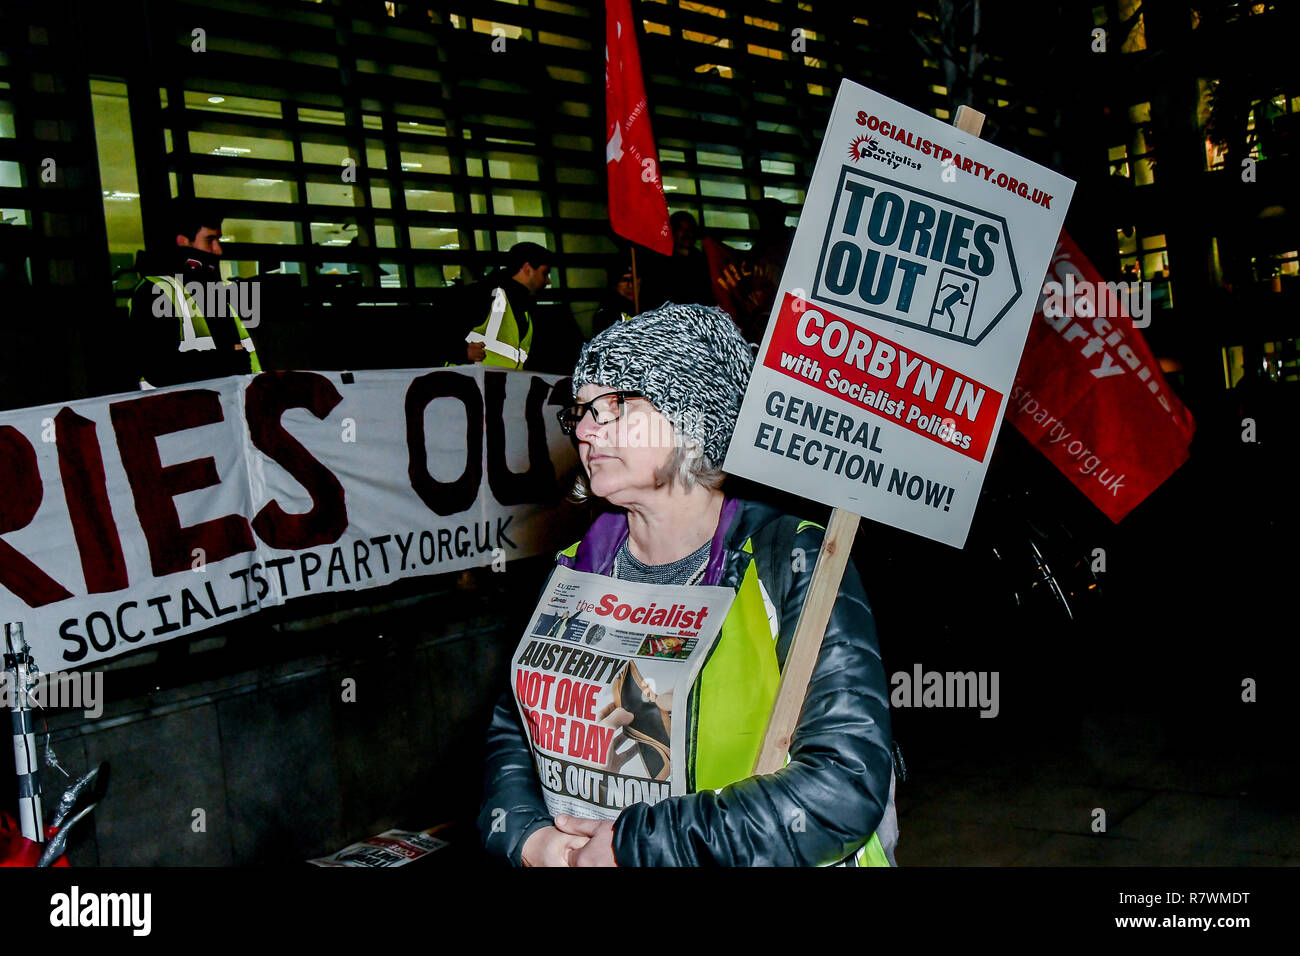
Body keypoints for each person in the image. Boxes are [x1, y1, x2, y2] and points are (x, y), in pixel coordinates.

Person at [477, 303, 897, 866]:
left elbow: (842, 786)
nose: (583, 429)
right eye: (580, 411)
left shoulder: (792, 560)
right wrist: (533, 840)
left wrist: (641, 846)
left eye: (617, 403)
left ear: (691, 417)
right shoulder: (575, 567)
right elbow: (514, 735)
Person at [130, 205, 263, 389]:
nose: (218, 250)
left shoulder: (210, 290)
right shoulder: (155, 290)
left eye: (219, 240)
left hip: (224, 410)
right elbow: (159, 369)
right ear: (183, 241)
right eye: (210, 240)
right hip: (180, 413)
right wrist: (230, 361)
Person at [460, 241, 553, 369]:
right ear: (527, 269)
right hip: (468, 385)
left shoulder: (527, 308)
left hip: (500, 386)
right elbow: (431, 334)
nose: (548, 281)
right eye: (545, 273)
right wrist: (462, 352)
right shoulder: (481, 294)